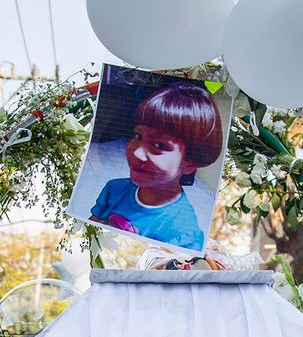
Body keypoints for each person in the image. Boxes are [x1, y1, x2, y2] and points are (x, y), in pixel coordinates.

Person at [90, 83, 223, 251]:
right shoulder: (113, 189)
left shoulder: (184, 233)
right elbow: (90, 230)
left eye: (160, 146)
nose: (138, 153)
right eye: (138, 136)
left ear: (190, 164)